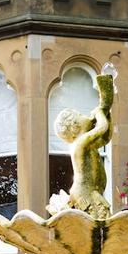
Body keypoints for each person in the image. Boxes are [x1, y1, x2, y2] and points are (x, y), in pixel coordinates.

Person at [53, 74, 114, 218]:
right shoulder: (79, 144)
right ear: (74, 127)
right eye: (80, 114)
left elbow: (106, 137)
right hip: (84, 192)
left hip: (93, 190)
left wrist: (107, 113)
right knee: (97, 223)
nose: (84, 115)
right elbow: (102, 128)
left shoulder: (88, 145)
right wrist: (99, 112)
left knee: (101, 223)